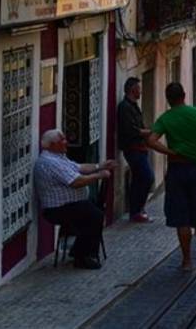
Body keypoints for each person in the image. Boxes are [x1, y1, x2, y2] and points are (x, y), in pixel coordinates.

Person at [146, 83, 196, 272]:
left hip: (177, 171)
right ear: (184, 95)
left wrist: (169, 152)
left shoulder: (166, 119)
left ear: (168, 99)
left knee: (182, 218)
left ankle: (186, 261)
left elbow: (151, 140)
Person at [33, 129, 117, 270]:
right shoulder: (50, 163)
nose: (66, 142)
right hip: (58, 209)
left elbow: (79, 168)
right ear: (52, 145)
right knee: (95, 216)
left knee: (93, 213)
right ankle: (82, 257)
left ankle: (80, 251)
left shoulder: (59, 157)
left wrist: (100, 166)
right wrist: (98, 175)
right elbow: (75, 181)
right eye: (62, 140)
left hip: (70, 204)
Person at [118, 77, 153, 222]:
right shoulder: (125, 107)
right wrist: (148, 132)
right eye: (139, 88)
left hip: (139, 148)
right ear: (133, 90)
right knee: (147, 177)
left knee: (139, 179)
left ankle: (137, 210)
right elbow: (131, 130)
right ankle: (136, 210)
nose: (141, 91)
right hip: (133, 149)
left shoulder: (133, 106)